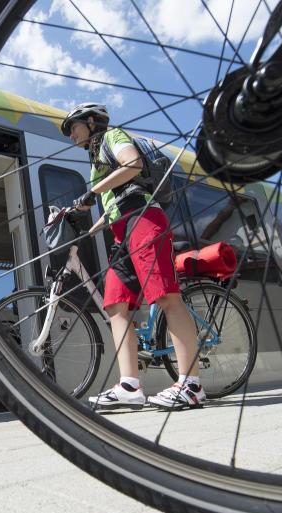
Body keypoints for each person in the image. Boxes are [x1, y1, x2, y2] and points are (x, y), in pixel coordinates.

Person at [61, 102, 205, 410]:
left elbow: (133, 164)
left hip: (143, 219)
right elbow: (112, 205)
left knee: (166, 296)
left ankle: (191, 385)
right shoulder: (95, 158)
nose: (71, 135)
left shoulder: (113, 136)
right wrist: (81, 220)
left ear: (91, 121)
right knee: (115, 304)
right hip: (121, 229)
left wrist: (93, 192)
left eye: (73, 127)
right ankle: (129, 385)